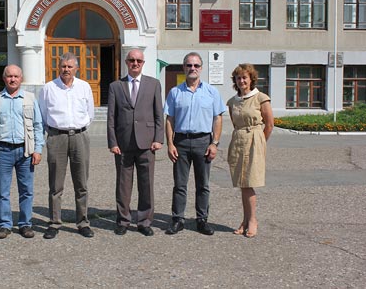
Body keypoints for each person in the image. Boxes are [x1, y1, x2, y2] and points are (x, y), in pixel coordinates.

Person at [164, 52, 226, 236]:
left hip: (203, 142)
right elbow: (170, 119)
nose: (192, 68)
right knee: (180, 184)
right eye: (189, 65)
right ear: (184, 67)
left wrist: (214, 143)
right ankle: (178, 219)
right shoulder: (175, 92)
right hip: (181, 142)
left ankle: (202, 220)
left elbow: (218, 118)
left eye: (196, 65)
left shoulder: (211, 92)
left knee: (203, 184)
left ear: (201, 68)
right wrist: (170, 144)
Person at [0, 64, 44, 239]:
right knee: (3, 191)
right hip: (3, 151)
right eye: (9, 76)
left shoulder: (30, 99)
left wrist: (38, 150)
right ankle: (4, 225)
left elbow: (38, 126)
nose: (13, 79)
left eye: (16, 76)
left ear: (21, 78)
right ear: (4, 78)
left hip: (25, 151)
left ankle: (25, 224)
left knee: (26, 190)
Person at [107, 49, 164, 236]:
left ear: (143, 62)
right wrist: (112, 142)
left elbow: (158, 114)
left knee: (146, 184)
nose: (135, 63)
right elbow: (111, 118)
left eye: (138, 60)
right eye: (132, 60)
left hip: (147, 143)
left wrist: (158, 139)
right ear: (126, 62)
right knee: (123, 184)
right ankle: (123, 220)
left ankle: (144, 221)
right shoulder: (116, 86)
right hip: (123, 143)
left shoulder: (153, 84)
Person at [39, 52, 95, 239]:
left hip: (80, 136)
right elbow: (43, 115)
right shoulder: (48, 88)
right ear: (59, 67)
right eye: (63, 66)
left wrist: (79, 127)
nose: (66, 70)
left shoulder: (84, 87)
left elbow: (90, 113)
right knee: (56, 184)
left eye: (70, 66)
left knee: (82, 183)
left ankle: (83, 222)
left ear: (76, 68)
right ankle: (54, 222)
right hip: (57, 137)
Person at [227, 63, 274, 238]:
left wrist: (260, 142)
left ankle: (252, 220)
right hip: (239, 140)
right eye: (238, 78)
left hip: (254, 140)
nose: (241, 81)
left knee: (249, 182)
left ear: (251, 79)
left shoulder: (261, 98)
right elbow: (234, 122)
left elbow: (269, 124)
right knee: (242, 183)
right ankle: (245, 220)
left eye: (244, 77)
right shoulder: (232, 102)